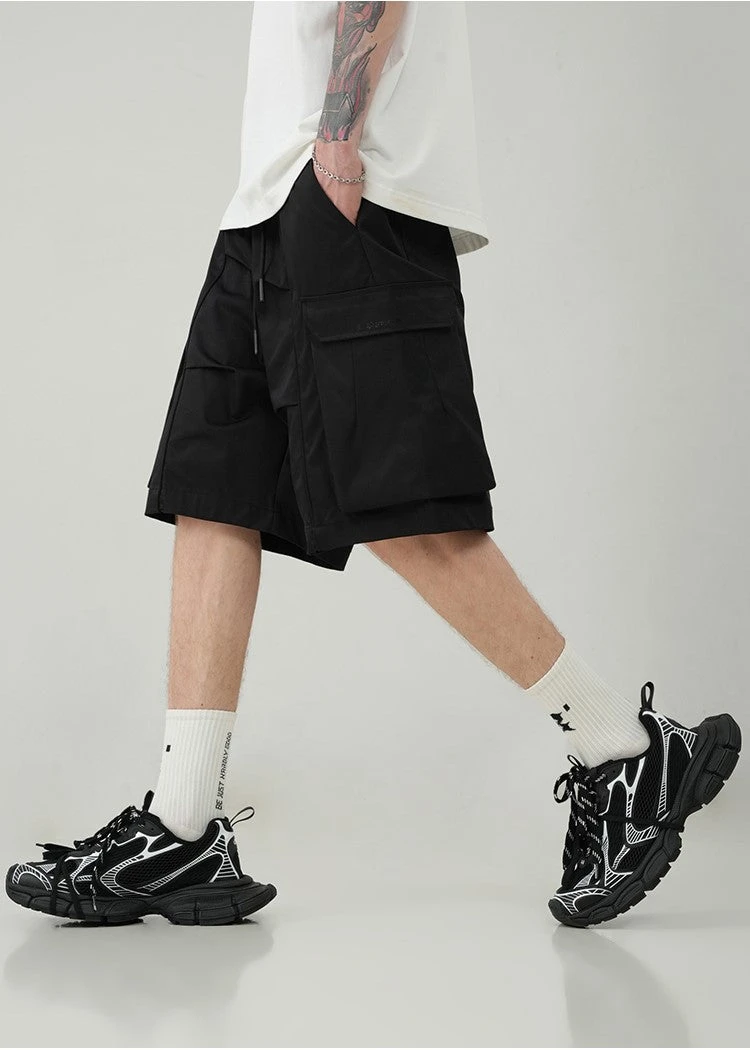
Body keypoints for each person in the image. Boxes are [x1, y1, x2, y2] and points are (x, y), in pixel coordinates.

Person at [6, 1, 741, 929]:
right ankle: (181, 831)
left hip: (352, 197)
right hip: (268, 204)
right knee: (213, 491)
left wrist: (338, 147)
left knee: (402, 507)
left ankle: (623, 750)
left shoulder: (345, 173)